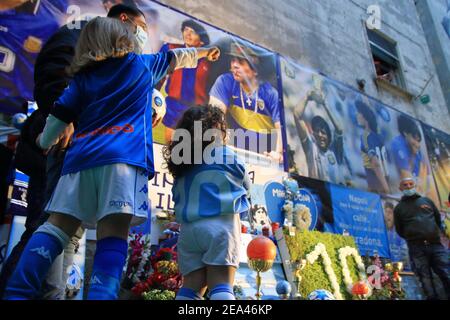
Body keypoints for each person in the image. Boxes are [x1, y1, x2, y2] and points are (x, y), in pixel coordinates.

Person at [4, 16, 220, 300]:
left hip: (78, 164)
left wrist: (45, 141)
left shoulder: (82, 79)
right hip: (124, 167)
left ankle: (16, 293)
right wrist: (205, 53)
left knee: (55, 226)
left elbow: (58, 116)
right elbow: (178, 57)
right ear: (125, 40)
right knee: (113, 234)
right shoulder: (142, 66)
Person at [0, 4, 150, 300]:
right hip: (65, 146)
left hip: (88, 151)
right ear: (123, 20)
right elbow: (56, 73)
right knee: (48, 226)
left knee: (67, 236)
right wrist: (64, 118)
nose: (143, 34)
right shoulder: (82, 34)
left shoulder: (121, 56)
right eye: (141, 27)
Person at [163, 106, 250, 300]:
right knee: (221, 285)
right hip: (221, 230)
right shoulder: (227, 155)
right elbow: (246, 185)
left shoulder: (182, 163)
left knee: (191, 288)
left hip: (189, 233)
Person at [209, 42, 283, 163]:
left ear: (255, 70)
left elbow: (281, 129)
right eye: (233, 60)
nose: (235, 66)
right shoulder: (225, 82)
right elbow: (214, 115)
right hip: (234, 149)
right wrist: (217, 141)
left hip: (263, 155)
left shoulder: (271, 94)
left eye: (241, 62)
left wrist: (278, 154)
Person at [158, 19, 215, 143]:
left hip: (198, 111)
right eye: (186, 30)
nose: (187, 34)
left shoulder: (210, 59)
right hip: (174, 106)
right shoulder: (171, 49)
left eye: (193, 32)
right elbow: (158, 75)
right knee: (170, 147)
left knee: (193, 152)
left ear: (202, 40)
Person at [394, 177, 450, 300]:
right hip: (416, 248)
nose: (408, 187)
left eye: (411, 184)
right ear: (400, 188)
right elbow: (399, 229)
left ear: (415, 185)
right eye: (405, 185)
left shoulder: (427, 201)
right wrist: (415, 236)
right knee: (425, 280)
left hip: (436, 246)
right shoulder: (398, 208)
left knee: (446, 273)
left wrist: (431, 233)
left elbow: (437, 220)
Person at [292, 83, 350, 186]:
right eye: (317, 131)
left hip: (337, 197)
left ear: (329, 136)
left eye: (323, 132)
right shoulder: (311, 147)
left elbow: (340, 130)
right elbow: (297, 114)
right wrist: (307, 96)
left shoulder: (335, 151)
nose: (319, 135)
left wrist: (325, 104)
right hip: (316, 195)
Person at [390, 115, 432, 196]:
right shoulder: (397, 144)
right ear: (405, 133)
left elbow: (426, 175)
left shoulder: (416, 149)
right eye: (414, 138)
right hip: (400, 191)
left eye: (418, 140)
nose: (417, 143)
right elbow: (406, 178)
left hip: (415, 189)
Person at [355, 100, 390, 194]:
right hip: (384, 181)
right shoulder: (378, 136)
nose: (356, 114)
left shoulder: (365, 136)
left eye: (359, 112)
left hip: (377, 186)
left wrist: (386, 188)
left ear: (365, 117)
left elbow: (375, 163)